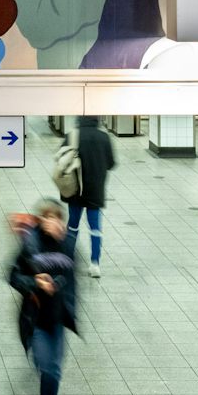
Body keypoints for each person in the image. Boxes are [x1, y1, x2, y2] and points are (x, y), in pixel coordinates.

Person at [7, 201, 78, 395]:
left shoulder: (69, 245)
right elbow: (13, 276)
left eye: (55, 218)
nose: (51, 223)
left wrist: (62, 292)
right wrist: (35, 283)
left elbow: (72, 279)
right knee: (45, 364)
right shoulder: (31, 244)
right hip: (35, 317)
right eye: (47, 218)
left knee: (54, 369)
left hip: (57, 318)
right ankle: (44, 380)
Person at [63, 115, 116, 275]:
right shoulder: (104, 137)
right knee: (95, 227)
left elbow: (61, 159)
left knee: (73, 225)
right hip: (95, 190)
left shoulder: (72, 136)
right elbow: (111, 163)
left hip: (75, 189)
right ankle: (95, 264)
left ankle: (67, 260)